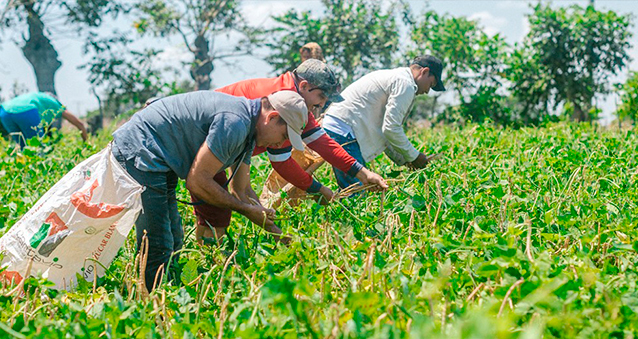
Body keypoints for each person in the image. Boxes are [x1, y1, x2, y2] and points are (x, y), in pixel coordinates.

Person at [112, 90, 308, 291]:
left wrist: (276, 231)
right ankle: (149, 303)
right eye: (284, 135)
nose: (279, 144)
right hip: (140, 149)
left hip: (161, 157)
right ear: (272, 117)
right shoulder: (236, 122)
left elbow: (242, 189)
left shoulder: (250, 130)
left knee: (174, 237)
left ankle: (166, 295)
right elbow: (197, 182)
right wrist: (245, 210)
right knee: (158, 243)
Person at [193, 59, 388, 244]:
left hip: (229, 147)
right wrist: (318, 189)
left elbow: (322, 143)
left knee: (234, 197)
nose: (322, 105)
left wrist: (363, 173)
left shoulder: (295, 105)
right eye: (321, 96)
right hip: (209, 139)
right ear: (303, 86)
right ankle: (209, 258)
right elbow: (282, 162)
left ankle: (209, 255)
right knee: (215, 209)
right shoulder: (283, 107)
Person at [320, 55, 446, 189]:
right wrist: (414, 157)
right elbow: (391, 129)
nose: (427, 91)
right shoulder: (405, 84)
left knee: (361, 188)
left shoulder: (398, 78)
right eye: (430, 84)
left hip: (341, 127)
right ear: (424, 72)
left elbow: (387, 133)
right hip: (344, 130)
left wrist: (406, 160)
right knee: (356, 192)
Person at [0, 91, 88, 147]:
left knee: (23, 148)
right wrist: (86, 144)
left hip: (4, 111)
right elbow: (79, 123)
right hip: (27, 110)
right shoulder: (53, 102)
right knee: (38, 147)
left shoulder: (36, 96)